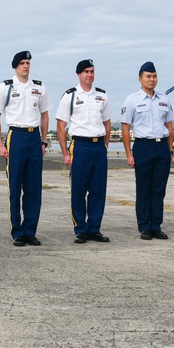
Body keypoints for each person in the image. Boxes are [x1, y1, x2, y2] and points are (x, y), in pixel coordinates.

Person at [0, 51, 52, 246]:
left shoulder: (39, 87)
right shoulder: (6, 87)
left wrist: (43, 142)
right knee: (15, 187)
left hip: (34, 138)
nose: (26, 66)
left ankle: (30, 231)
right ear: (15, 66)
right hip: (15, 136)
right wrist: (0, 144)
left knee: (33, 188)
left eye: (28, 63)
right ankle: (17, 231)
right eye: (22, 63)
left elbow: (44, 115)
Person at [57, 59, 112, 244]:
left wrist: (105, 146)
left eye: (92, 71)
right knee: (79, 190)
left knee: (98, 190)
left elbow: (107, 122)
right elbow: (61, 125)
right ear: (79, 74)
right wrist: (65, 153)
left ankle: (94, 229)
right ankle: (80, 228)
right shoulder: (70, 96)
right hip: (80, 146)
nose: (90, 74)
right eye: (86, 71)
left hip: (98, 147)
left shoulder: (102, 96)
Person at [120, 61, 174, 240]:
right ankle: (144, 226)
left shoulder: (164, 99)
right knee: (143, 188)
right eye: (148, 76)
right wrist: (129, 154)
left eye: (154, 76)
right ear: (140, 79)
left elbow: (169, 125)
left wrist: (170, 150)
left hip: (162, 147)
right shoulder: (132, 100)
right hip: (143, 146)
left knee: (159, 189)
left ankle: (156, 225)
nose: (152, 79)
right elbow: (125, 129)